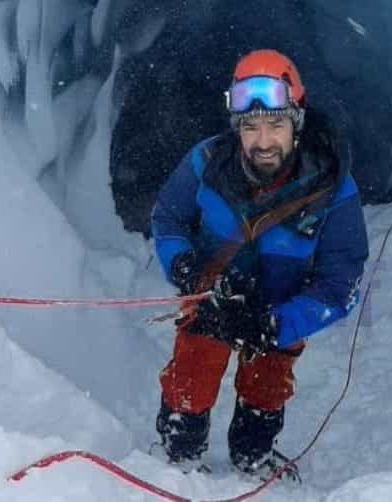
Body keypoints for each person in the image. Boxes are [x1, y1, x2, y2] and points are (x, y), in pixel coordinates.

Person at [151, 49, 369, 477]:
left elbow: (340, 281)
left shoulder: (332, 186)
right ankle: (178, 453)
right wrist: (184, 268)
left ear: (297, 123)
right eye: (250, 126)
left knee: (267, 386)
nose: (263, 141)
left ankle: (253, 457)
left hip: (279, 311)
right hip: (214, 295)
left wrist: (277, 324)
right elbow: (168, 218)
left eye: (276, 124)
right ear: (237, 128)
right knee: (191, 373)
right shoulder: (206, 162)